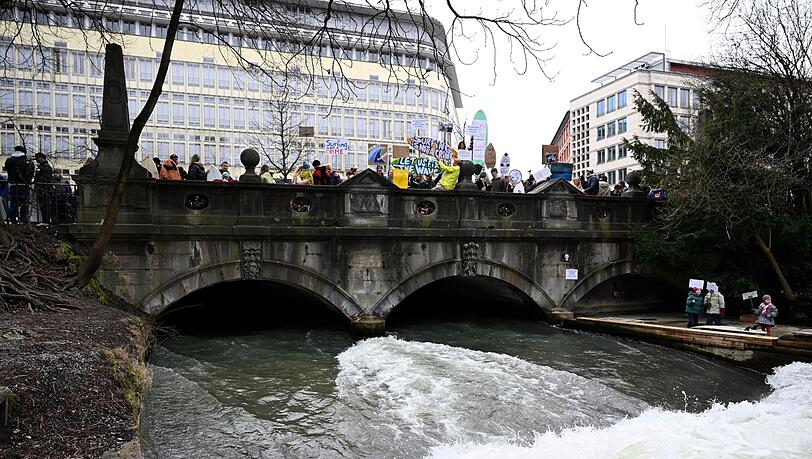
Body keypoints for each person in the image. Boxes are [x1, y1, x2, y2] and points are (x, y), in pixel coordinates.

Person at [6, 146, 34, 224]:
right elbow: (31, 173)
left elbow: (8, 170)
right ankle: (23, 220)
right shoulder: (27, 161)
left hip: (13, 184)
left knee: (13, 203)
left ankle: (13, 221)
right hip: (24, 185)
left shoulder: (9, 160)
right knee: (24, 204)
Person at [33, 152, 54, 223]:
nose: (37, 160)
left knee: (45, 207)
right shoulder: (41, 166)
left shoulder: (46, 167)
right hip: (41, 189)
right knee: (43, 207)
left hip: (44, 190)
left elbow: (45, 178)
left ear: (42, 158)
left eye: (38, 158)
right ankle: (45, 221)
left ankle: (46, 221)